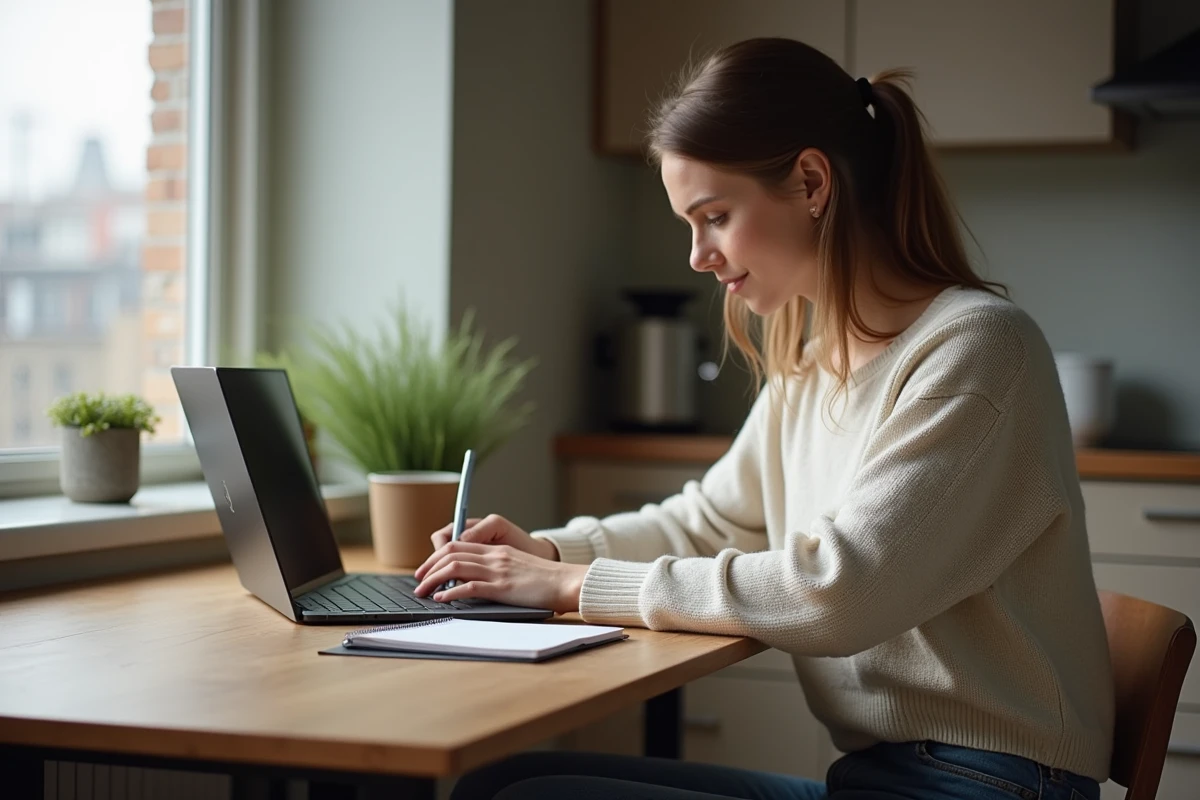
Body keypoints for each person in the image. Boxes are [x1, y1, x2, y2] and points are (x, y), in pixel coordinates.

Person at [412, 37, 1113, 800]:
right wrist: (546, 549)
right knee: (515, 778)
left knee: (522, 798)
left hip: (986, 781)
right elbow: (710, 522)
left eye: (713, 216)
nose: (696, 255)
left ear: (812, 182)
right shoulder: (814, 366)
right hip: (883, 777)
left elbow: (840, 592)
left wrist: (569, 584)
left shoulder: (977, 349)